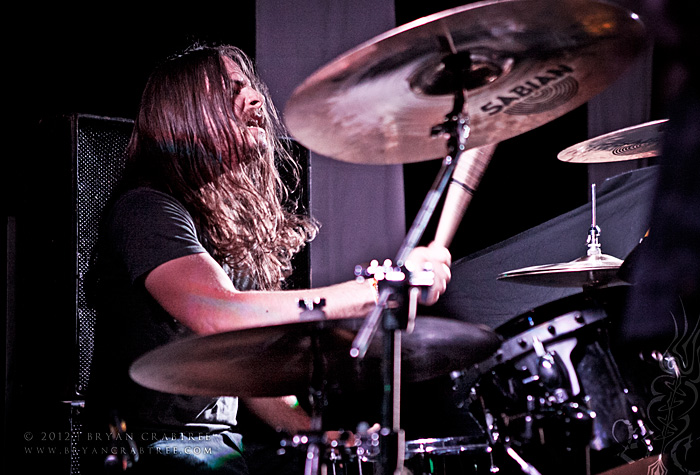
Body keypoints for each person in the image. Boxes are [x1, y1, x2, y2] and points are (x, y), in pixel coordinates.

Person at [83, 44, 452, 474]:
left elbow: (244, 367)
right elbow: (217, 313)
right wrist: (377, 288)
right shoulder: (146, 209)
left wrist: (322, 438)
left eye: (249, 86)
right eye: (231, 89)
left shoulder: (220, 227)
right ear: (184, 113)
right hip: (154, 449)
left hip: (216, 446)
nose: (256, 98)